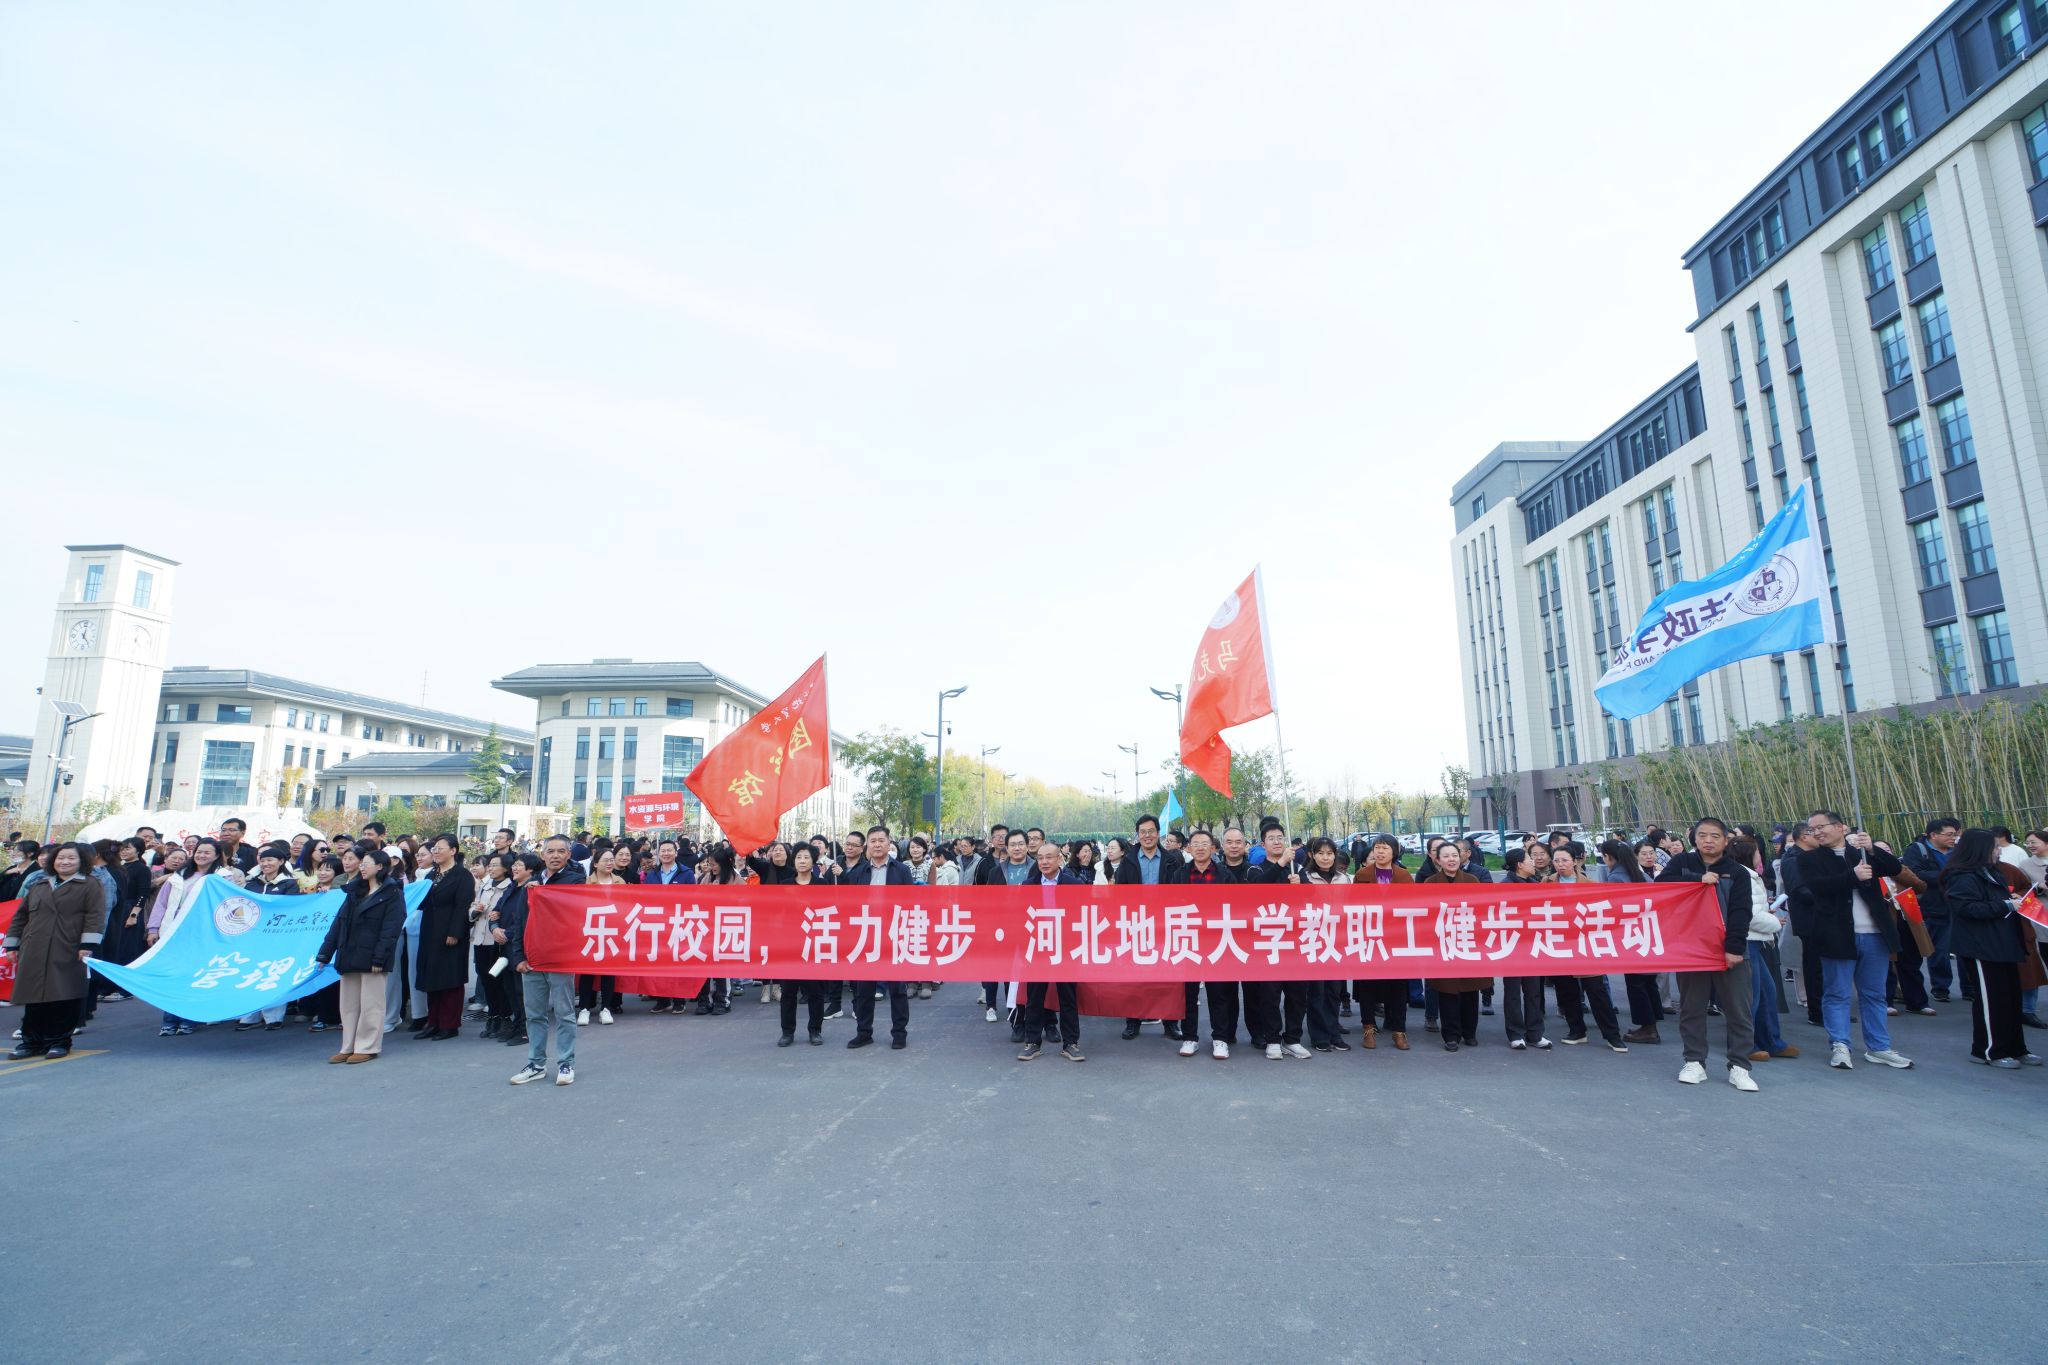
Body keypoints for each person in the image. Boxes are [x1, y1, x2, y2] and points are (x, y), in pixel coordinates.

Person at [1795, 810, 1914, 1072]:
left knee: (1874, 994)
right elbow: (1818, 886)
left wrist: (1872, 848)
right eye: (1813, 829)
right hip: (1836, 934)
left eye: (1821, 827)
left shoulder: (1860, 853)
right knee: (1837, 992)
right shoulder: (1809, 858)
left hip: (1874, 934)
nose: (1817, 833)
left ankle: (1879, 1047)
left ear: (1841, 827)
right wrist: (1853, 876)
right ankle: (1840, 1044)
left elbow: (1895, 869)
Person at [1655, 818, 1761, 1090]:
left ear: (1726, 840)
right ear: (1694, 839)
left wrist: (1734, 948)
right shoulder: (1682, 863)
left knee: (1738, 1010)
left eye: (1715, 836)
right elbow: (1660, 886)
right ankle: (1694, 1062)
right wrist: (1696, 880)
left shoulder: (1736, 872)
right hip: (1691, 949)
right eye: (1702, 835)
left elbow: (1741, 912)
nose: (1708, 841)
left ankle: (1739, 1066)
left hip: (1728, 950)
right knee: (1692, 1008)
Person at [1943, 829, 2039, 1068]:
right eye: (1995, 847)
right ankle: (1987, 1051)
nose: (1999, 851)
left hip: (2003, 943)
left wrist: (2013, 902)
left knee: (2011, 999)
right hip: (1980, 947)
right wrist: (2006, 905)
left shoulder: (1993, 872)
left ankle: (2016, 1048)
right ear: (1979, 849)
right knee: (1991, 1001)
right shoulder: (1961, 875)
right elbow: (1967, 909)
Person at [2, 842, 102, 1060]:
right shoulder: (39, 884)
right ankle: (30, 1042)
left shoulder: (90, 884)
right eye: (60, 858)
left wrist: (87, 946)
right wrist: (12, 944)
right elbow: (21, 917)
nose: (65, 862)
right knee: (33, 997)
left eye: (71, 858)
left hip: (68, 948)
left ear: (81, 861)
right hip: (34, 948)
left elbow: (95, 916)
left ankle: (59, 1041)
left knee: (64, 996)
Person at [313, 847, 406, 1065]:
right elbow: (338, 923)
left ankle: (367, 1047)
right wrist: (325, 953)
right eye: (361, 863)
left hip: (373, 956)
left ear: (380, 866)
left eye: (366, 864)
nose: (361, 867)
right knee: (349, 1005)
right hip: (349, 953)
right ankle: (348, 1046)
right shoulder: (354, 891)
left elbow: (391, 929)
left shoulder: (392, 893)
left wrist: (380, 957)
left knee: (371, 1004)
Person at [1246, 820, 1326, 1060]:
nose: (1276, 842)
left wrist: (1301, 886)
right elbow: (1257, 890)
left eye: (1280, 838)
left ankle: (1292, 1039)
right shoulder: (1255, 868)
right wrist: (1279, 864)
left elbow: (1312, 896)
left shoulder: (1296, 867)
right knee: (1269, 994)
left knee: (1297, 993)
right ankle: (1272, 1039)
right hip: (1269, 940)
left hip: (1295, 940)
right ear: (1263, 844)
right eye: (1271, 838)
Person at [1115, 813, 1191, 1045]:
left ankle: (1170, 1023)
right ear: (1138, 835)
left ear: (1158, 833)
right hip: (1136, 924)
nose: (1147, 836)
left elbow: (1180, 891)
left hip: (1164, 924)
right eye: (1143, 832)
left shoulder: (1171, 860)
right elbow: (1119, 893)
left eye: (1151, 831)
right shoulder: (1128, 861)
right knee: (1134, 976)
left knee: (1168, 975)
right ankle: (1133, 1020)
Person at [510, 839, 582, 1083]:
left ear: (569, 854)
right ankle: (536, 1063)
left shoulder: (575, 881)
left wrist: (542, 892)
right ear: (542, 855)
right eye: (550, 851)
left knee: (564, 1013)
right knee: (534, 1015)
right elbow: (519, 922)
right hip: (532, 959)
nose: (555, 856)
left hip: (561, 959)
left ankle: (566, 1063)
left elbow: (572, 911)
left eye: (561, 851)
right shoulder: (531, 884)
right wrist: (518, 957)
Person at [1547, 843, 1627, 1052]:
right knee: (1566, 990)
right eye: (1556, 860)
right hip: (1560, 942)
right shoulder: (1546, 883)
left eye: (1565, 860)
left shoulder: (1590, 884)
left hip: (1585, 942)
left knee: (1596, 990)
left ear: (1575, 861)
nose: (1560, 864)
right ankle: (1577, 1031)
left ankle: (1612, 1035)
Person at [1017, 841, 1090, 1062]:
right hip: (1037, 948)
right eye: (1040, 858)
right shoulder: (1028, 885)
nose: (1044, 862)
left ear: (1060, 859)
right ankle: (1032, 1042)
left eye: (1049, 857)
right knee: (1034, 997)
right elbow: (1021, 917)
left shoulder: (1074, 885)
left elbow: (1082, 915)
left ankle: (1071, 1043)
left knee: (1067, 997)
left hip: (1065, 949)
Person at [1728, 834, 1796, 1064]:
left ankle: (1771, 1041)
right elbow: (1750, 915)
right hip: (1747, 940)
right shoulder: (1744, 876)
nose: (1761, 855)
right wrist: (1774, 922)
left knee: (1766, 992)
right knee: (1752, 996)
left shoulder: (1748, 875)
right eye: (1757, 851)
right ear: (1749, 853)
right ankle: (1747, 1045)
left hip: (1755, 939)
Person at [1178, 830, 1245, 1059]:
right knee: (1188, 993)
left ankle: (1220, 1039)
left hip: (1217, 940)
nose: (1200, 848)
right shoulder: (1179, 874)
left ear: (1213, 848)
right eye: (1195, 844)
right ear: (1188, 848)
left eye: (1204, 844)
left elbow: (1236, 906)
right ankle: (1189, 1037)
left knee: (1219, 993)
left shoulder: (1225, 875)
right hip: (1188, 939)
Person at [846, 825, 913, 1050]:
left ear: (888, 843)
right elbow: (850, 905)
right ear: (867, 845)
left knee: (897, 988)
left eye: (881, 840)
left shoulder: (901, 870)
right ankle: (864, 1032)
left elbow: (909, 903)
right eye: (873, 841)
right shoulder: (858, 873)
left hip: (893, 934)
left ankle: (899, 1033)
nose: (877, 845)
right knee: (864, 989)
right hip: (866, 935)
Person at [1417, 841, 1488, 1051]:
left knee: (1470, 990)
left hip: (1467, 941)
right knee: (1447, 991)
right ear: (1437, 860)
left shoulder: (1472, 880)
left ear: (1462, 857)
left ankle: (1470, 1032)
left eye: (1454, 855)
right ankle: (1451, 1035)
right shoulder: (1430, 883)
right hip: (1443, 943)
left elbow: (1481, 910)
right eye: (1446, 856)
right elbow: (1425, 914)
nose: (1451, 860)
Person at [1599, 838, 1665, 1044]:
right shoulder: (1641, 875)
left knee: (1636, 984)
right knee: (1648, 982)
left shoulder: (1616, 878)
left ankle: (1647, 1028)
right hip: (1647, 933)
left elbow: (1614, 909)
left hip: (1630, 935)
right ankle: (1652, 1023)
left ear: (1608, 857)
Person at [234, 841, 302, 1032]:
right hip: (253, 937)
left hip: (277, 938)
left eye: (270, 860)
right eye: (263, 860)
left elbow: (291, 909)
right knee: (250, 974)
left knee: (273, 975)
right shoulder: (252, 884)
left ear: (281, 861)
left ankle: (273, 1017)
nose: (265, 864)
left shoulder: (290, 884)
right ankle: (249, 1015)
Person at [412, 834, 475, 1041]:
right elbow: (422, 902)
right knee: (431, 976)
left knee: (450, 979)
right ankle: (433, 1022)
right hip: (430, 930)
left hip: (450, 932)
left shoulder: (462, 875)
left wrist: (455, 933)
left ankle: (449, 1024)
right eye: (434, 849)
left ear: (453, 851)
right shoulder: (432, 874)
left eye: (440, 848)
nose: (435, 852)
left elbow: (462, 906)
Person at [776, 844, 835, 1046]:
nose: (802, 861)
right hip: (790, 945)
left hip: (814, 944)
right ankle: (787, 1032)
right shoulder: (784, 885)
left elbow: (829, 910)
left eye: (806, 857)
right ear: (794, 861)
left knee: (815, 992)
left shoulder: (822, 884)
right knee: (788, 992)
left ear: (813, 861)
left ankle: (815, 1030)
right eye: (799, 857)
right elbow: (777, 913)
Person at [1299, 836, 1352, 1053]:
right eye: (1320, 853)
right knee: (1317, 991)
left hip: (1337, 940)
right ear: (1312, 855)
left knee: (1334, 990)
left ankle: (1334, 1033)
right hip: (1314, 939)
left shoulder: (1344, 879)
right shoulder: (1304, 877)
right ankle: (1319, 1036)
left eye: (1329, 853)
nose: (1325, 858)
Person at [1900, 818, 1961, 1005]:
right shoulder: (1917, 850)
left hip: (1957, 905)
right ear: (1934, 835)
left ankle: (1969, 988)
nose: (1953, 838)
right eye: (1949, 835)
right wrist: (1947, 876)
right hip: (1931, 906)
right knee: (1938, 950)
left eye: (1955, 835)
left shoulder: (1957, 852)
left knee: (1962, 949)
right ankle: (1941, 988)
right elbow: (1915, 874)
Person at [1497, 847, 1550, 1051]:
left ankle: (1535, 1033)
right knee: (1512, 992)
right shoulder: (1505, 887)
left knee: (1534, 991)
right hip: (1512, 945)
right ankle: (1515, 1034)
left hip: (1533, 944)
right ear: (1519, 864)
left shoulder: (1535, 885)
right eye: (1529, 859)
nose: (1533, 862)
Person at [642, 838, 697, 1015]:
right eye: (663, 851)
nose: (666, 854)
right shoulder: (652, 875)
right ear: (658, 854)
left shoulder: (686, 873)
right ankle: (662, 1000)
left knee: (677, 962)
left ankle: (679, 1000)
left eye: (669, 850)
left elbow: (692, 898)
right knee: (659, 962)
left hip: (678, 922)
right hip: (657, 923)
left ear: (676, 852)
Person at [577, 848, 626, 1024]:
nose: (609, 863)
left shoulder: (620, 882)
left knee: (608, 972)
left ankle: (606, 1008)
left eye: (611, 860)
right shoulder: (586, 882)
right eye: (605, 860)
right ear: (596, 863)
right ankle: (584, 1009)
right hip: (591, 931)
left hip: (612, 931)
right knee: (587, 972)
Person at [471, 853, 516, 1040]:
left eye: (495, 865)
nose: (490, 868)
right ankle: (493, 1016)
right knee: (485, 979)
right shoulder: (486, 885)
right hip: (480, 938)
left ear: (506, 868)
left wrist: (498, 916)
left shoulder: (511, 887)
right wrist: (474, 911)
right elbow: (473, 905)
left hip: (497, 941)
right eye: (489, 865)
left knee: (499, 981)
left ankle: (505, 1017)